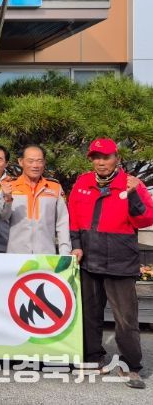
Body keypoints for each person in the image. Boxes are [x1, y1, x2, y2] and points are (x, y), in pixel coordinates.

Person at [68, 139, 153, 389]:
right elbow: (73, 217)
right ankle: (93, 357)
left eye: (105, 157)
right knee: (89, 313)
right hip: (88, 259)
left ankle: (131, 365)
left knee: (126, 318)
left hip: (120, 261)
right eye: (96, 157)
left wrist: (134, 193)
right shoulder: (83, 182)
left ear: (117, 158)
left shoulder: (132, 183)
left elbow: (145, 219)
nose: (100, 162)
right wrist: (76, 244)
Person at [0, 145, 70, 256]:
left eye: (39, 161)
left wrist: (65, 252)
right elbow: (3, 217)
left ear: (44, 162)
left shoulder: (54, 187)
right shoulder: (9, 186)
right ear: (21, 162)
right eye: (30, 161)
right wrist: (7, 198)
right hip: (16, 255)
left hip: (46, 255)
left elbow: (62, 222)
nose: (35, 165)